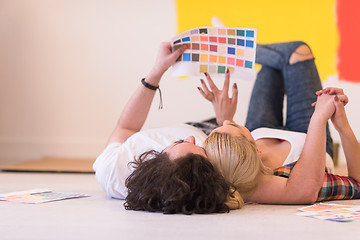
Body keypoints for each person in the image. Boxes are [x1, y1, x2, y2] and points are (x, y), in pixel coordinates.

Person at [200, 41, 360, 209]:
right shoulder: (277, 180)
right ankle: (233, 51)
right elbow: (357, 184)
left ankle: (234, 52)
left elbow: (228, 151)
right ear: (256, 151)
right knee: (299, 52)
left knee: (272, 66)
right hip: (308, 132)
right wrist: (342, 126)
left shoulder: (235, 160)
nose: (227, 121)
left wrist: (224, 118)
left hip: (261, 129)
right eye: (232, 125)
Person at [93, 42, 231, 214]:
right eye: (203, 152)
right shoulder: (221, 177)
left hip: (201, 125)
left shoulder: (113, 172)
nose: (191, 139)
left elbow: (125, 128)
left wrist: (157, 71)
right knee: (271, 68)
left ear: (154, 162)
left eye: (179, 142)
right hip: (225, 133)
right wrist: (225, 119)